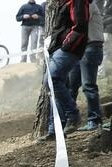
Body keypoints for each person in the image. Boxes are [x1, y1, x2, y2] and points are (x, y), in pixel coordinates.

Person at [38, 0, 90, 141]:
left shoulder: (76, 1)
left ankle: (73, 114)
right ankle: (54, 129)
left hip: (67, 49)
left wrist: (66, 45)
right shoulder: (64, 2)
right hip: (58, 48)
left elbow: (80, 26)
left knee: (52, 80)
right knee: (58, 87)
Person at [68, 0, 105, 131]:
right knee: (71, 86)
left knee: (88, 85)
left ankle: (94, 119)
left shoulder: (87, 4)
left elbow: (80, 22)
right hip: (80, 48)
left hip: (90, 46)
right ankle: (71, 120)